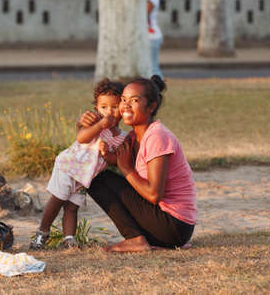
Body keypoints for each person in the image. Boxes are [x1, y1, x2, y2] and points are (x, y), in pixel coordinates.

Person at [79, 75, 197, 252]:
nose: (126, 105)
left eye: (134, 100)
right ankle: (137, 238)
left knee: (99, 179)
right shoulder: (133, 137)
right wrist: (84, 125)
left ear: (151, 106)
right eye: (123, 100)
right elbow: (114, 161)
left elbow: (154, 194)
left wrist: (125, 168)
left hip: (174, 225)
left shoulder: (157, 136)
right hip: (163, 222)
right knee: (94, 177)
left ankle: (135, 239)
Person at [30, 78, 128, 249]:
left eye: (114, 107)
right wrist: (100, 125)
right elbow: (81, 137)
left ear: (122, 108)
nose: (109, 112)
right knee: (58, 199)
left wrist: (108, 153)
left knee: (72, 207)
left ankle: (69, 239)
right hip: (68, 167)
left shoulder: (121, 137)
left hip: (84, 178)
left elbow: (115, 161)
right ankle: (42, 233)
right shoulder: (93, 123)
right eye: (104, 107)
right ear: (96, 108)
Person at [148, 0, 163, 78]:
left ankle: (159, 89)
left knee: (153, 68)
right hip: (149, 36)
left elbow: (145, 14)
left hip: (152, 37)